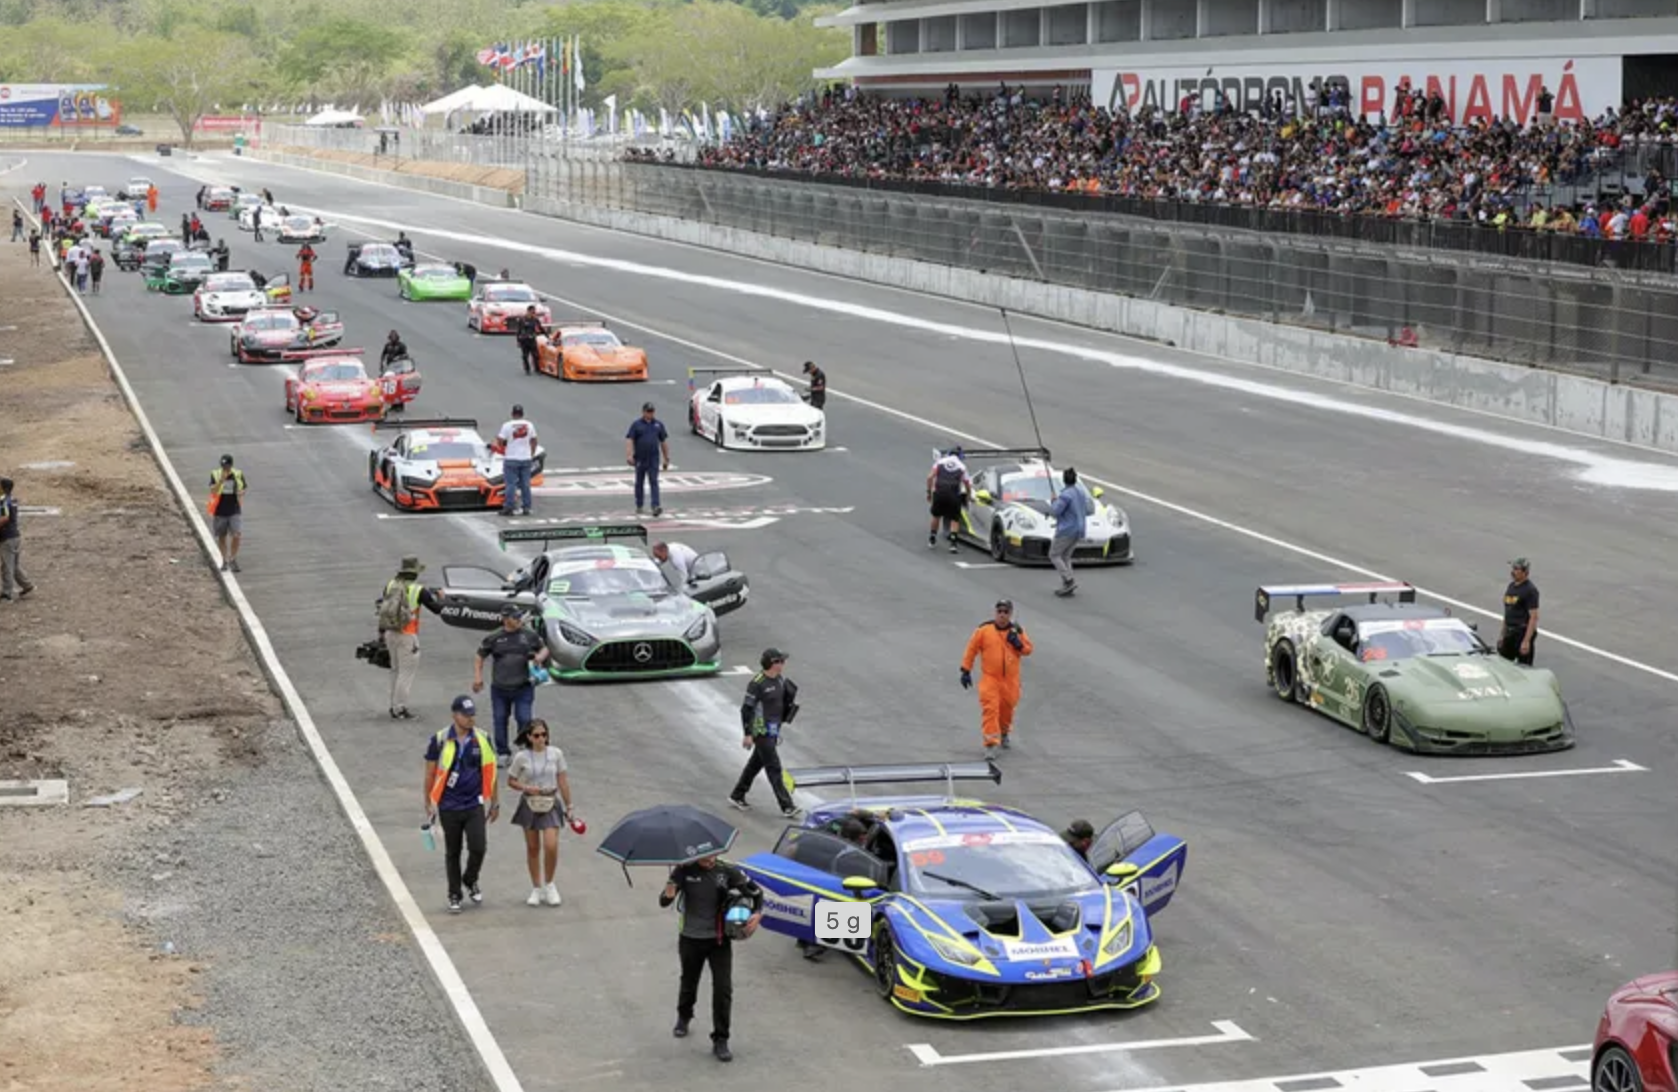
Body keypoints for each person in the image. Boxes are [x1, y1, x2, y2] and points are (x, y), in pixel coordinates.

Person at [659, 853, 764, 1062]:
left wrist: (757, 914)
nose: (710, 860)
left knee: (723, 989)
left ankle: (721, 1039)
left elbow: (756, 893)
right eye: (705, 857)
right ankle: (684, 1015)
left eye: (714, 855)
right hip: (690, 937)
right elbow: (663, 901)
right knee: (689, 981)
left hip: (718, 940)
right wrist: (669, 893)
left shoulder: (728, 871)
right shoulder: (682, 870)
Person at [423, 696, 501, 914]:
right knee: (453, 851)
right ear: (454, 715)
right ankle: (454, 894)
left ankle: (470, 878)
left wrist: (495, 802)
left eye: (472, 714)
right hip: (449, 805)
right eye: (466, 715)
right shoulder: (439, 740)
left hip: (474, 803)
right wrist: (428, 802)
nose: (470, 719)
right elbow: (430, 773)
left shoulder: (483, 738)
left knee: (479, 847)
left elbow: (490, 771)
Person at [506, 718, 577, 908]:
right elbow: (511, 780)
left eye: (544, 735)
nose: (541, 739)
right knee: (533, 847)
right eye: (537, 735)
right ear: (529, 737)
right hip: (530, 802)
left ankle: (550, 884)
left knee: (551, 845)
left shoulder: (556, 754)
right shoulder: (522, 757)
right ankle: (536, 887)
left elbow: (562, 780)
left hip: (551, 801)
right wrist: (527, 787)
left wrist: (569, 806)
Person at [728, 649, 801, 818]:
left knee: (755, 764)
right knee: (774, 767)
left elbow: (782, 704)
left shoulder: (781, 681)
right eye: (781, 661)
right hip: (760, 730)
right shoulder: (757, 683)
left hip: (774, 730)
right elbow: (746, 709)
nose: (784, 663)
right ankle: (787, 806)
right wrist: (748, 734)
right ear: (774, 663)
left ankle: (737, 794)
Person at [473, 603, 550, 759]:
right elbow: (479, 656)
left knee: (524, 718)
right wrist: (478, 678)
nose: (518, 620)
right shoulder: (494, 637)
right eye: (515, 617)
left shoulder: (529, 635)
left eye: (519, 616)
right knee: (500, 719)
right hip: (500, 688)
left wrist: (539, 657)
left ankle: (524, 749)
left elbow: (544, 648)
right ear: (505, 619)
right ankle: (503, 752)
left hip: (523, 687)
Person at [961, 598, 1033, 756]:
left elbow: (1028, 650)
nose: (1002, 615)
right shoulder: (984, 630)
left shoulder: (1017, 631)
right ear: (995, 612)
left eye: (1005, 612)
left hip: (1010, 680)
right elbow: (971, 649)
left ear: (1010, 614)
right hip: (990, 678)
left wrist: (1018, 645)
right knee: (990, 709)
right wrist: (965, 670)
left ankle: (1005, 732)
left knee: (1007, 709)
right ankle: (990, 744)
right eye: (999, 611)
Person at [377, 556, 446, 720]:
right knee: (406, 673)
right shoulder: (419, 590)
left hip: (390, 632)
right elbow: (437, 609)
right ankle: (400, 708)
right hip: (407, 634)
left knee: (395, 670)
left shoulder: (390, 585)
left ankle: (394, 705)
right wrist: (442, 598)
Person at [1049, 467, 1093, 598]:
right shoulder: (1080, 493)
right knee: (1066, 556)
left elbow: (1055, 512)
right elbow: (1089, 510)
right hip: (1080, 529)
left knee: (1054, 555)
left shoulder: (1065, 495)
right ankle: (1068, 582)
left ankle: (1068, 580)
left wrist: (1054, 501)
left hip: (1066, 529)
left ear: (1064, 480)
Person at [626, 402, 671, 518]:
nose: (650, 414)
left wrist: (666, 458)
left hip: (653, 458)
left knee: (654, 481)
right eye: (648, 412)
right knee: (639, 482)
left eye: (652, 412)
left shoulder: (658, 425)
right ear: (643, 412)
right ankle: (639, 504)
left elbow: (663, 441)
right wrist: (630, 455)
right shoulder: (636, 425)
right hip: (640, 458)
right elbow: (630, 439)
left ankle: (655, 505)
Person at [495, 404, 538, 517]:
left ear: (512, 414)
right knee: (525, 484)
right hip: (526, 458)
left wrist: (504, 447)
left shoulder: (507, 425)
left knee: (510, 485)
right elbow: (534, 440)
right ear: (522, 414)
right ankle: (526, 507)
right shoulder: (529, 425)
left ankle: (509, 507)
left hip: (511, 458)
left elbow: (500, 440)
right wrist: (531, 453)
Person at [926, 447, 971, 552]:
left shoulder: (939, 462)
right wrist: (968, 496)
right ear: (960, 457)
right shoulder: (962, 467)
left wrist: (929, 492)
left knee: (936, 515)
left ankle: (932, 538)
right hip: (953, 494)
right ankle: (953, 544)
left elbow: (929, 478)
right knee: (954, 519)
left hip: (939, 492)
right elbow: (967, 484)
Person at [207, 454, 247, 572]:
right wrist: (221, 481)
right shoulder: (215, 474)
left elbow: (244, 487)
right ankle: (224, 560)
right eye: (223, 466)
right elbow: (213, 490)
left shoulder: (238, 474)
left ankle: (233, 558)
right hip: (219, 510)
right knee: (222, 536)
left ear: (231, 465)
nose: (225, 468)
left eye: (227, 466)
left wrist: (241, 493)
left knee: (237, 534)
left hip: (234, 509)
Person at [0, 478, 36, 602]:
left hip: (7, 538)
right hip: (15, 536)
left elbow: (4, 518)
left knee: (7, 567)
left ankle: (6, 594)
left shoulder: (3, 501)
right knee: (14, 565)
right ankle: (27, 585)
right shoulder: (12, 499)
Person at [1499, 557, 1540, 665]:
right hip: (1509, 633)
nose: (1513, 572)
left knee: (1524, 669)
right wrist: (1502, 635)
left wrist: (1526, 641)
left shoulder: (1530, 591)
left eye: (1517, 569)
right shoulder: (1511, 587)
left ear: (1525, 572)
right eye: (1513, 568)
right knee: (1503, 666)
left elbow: (1533, 617)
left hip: (1521, 633)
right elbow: (1507, 612)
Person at [514, 305, 543, 375]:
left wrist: (547, 335)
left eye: (534, 312)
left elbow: (541, 328)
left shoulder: (535, 319)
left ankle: (537, 369)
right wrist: (518, 341)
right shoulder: (522, 320)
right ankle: (527, 369)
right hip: (524, 340)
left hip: (532, 339)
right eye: (532, 312)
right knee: (525, 356)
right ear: (528, 311)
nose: (533, 314)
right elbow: (518, 331)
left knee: (536, 355)